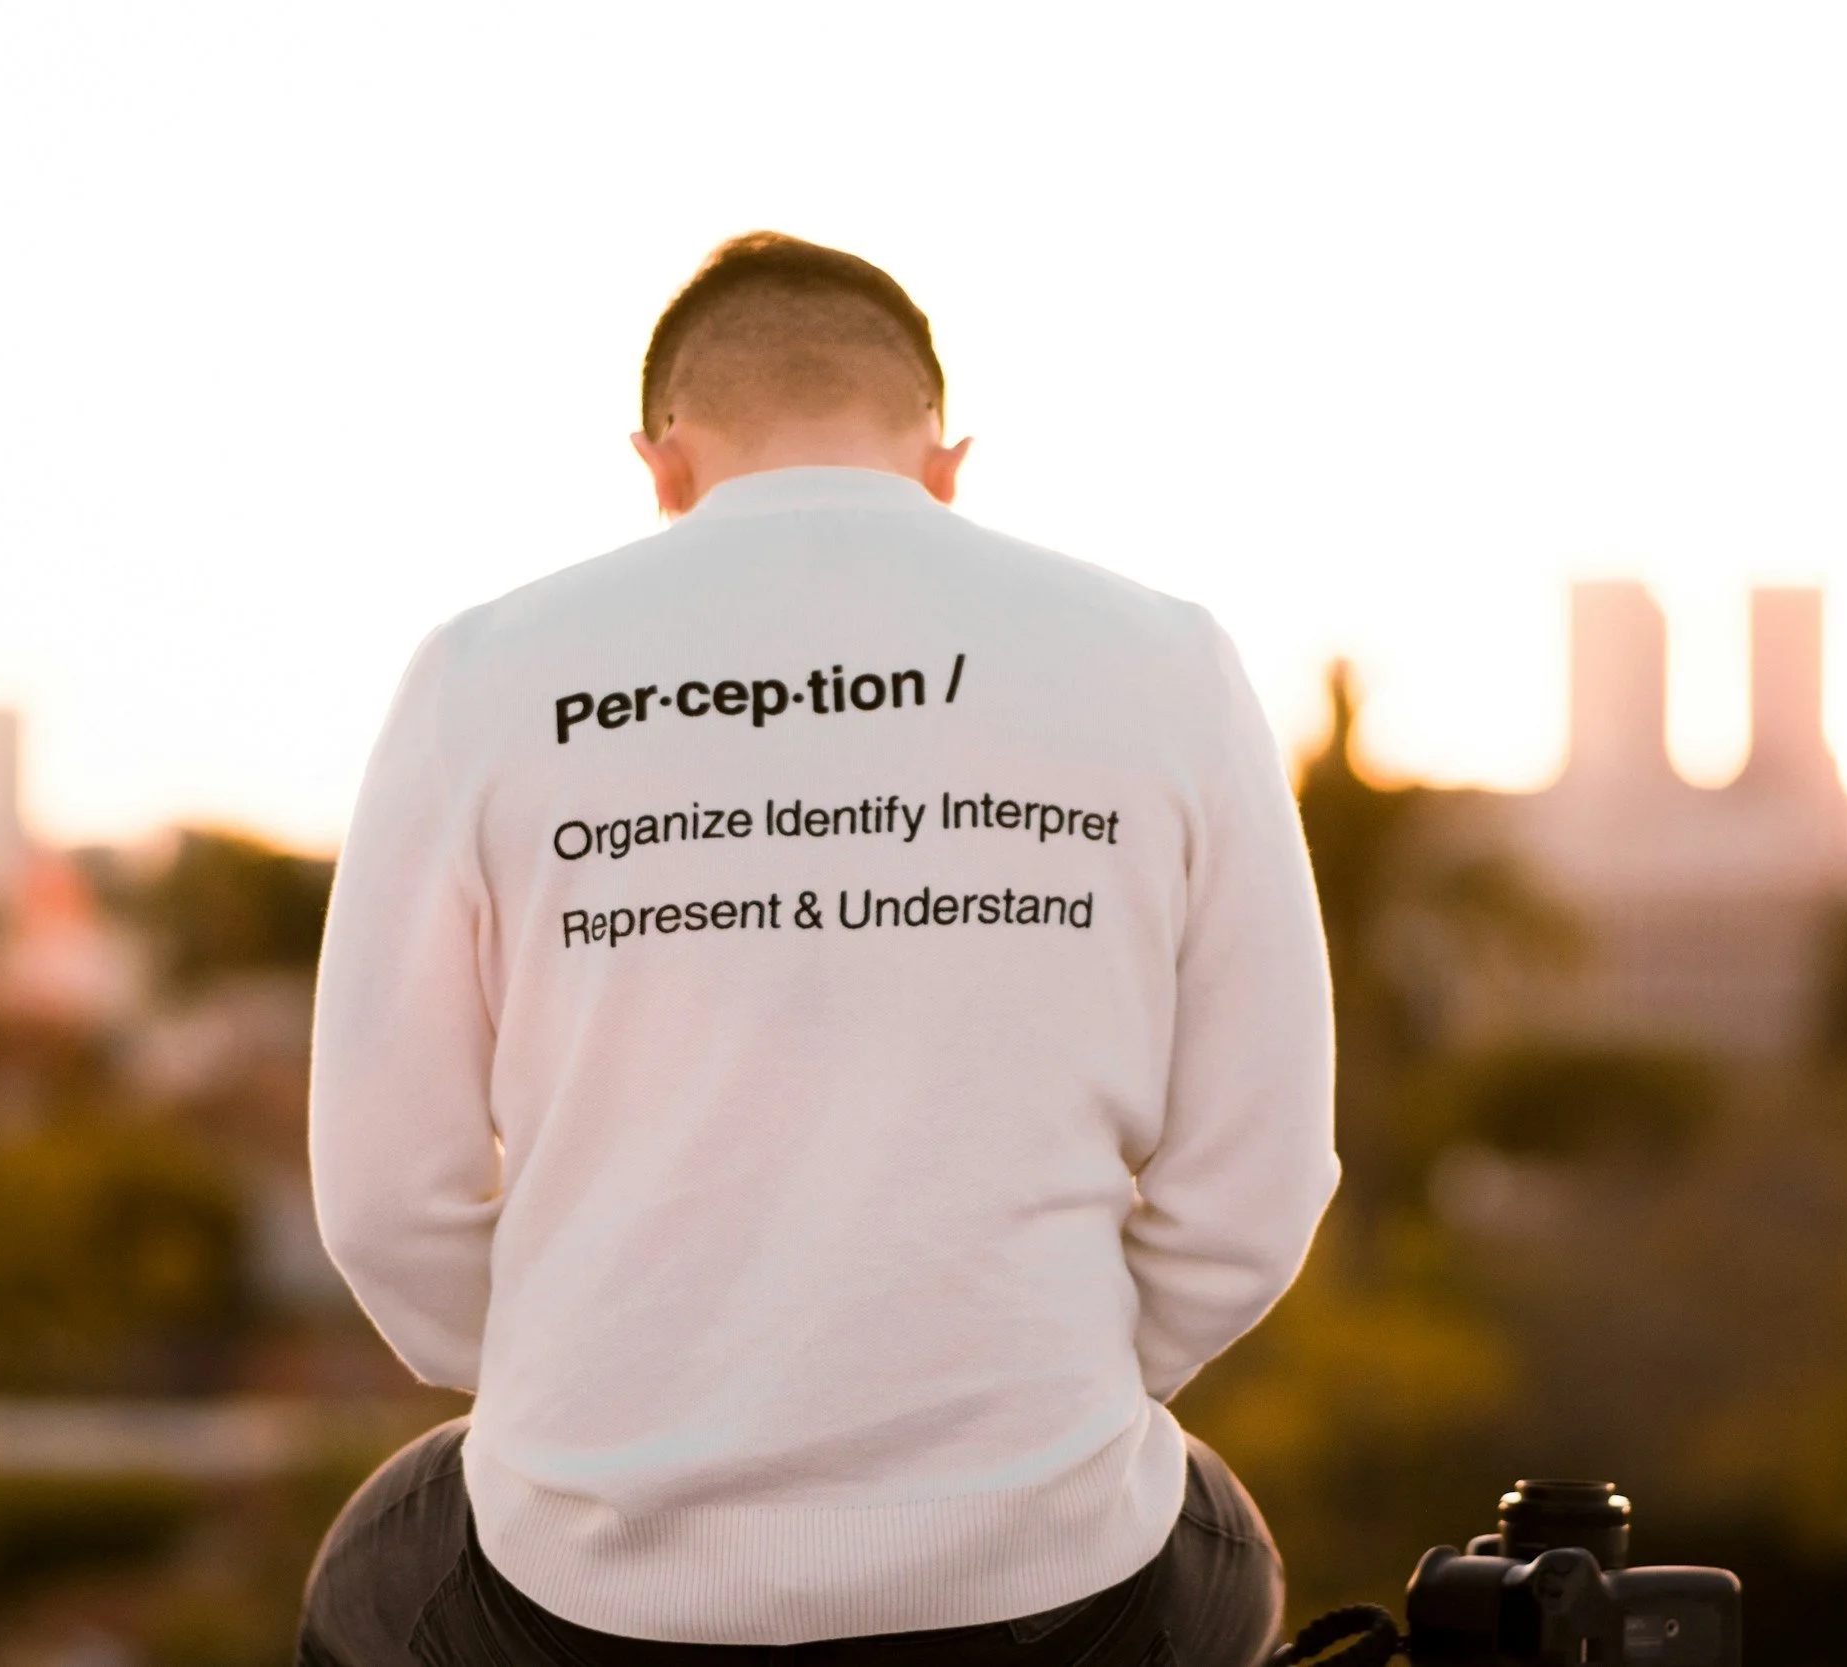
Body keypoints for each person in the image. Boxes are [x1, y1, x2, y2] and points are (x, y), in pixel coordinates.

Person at [300, 232, 1338, 1667]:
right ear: (944, 463)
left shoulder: (478, 672)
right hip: (1054, 1573)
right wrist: (1064, 1384)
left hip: (591, 1593)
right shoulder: (1169, 659)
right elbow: (1259, 1179)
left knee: (380, 1554)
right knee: (1218, 1538)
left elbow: (381, 1202)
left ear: (660, 464)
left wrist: (596, 1391)